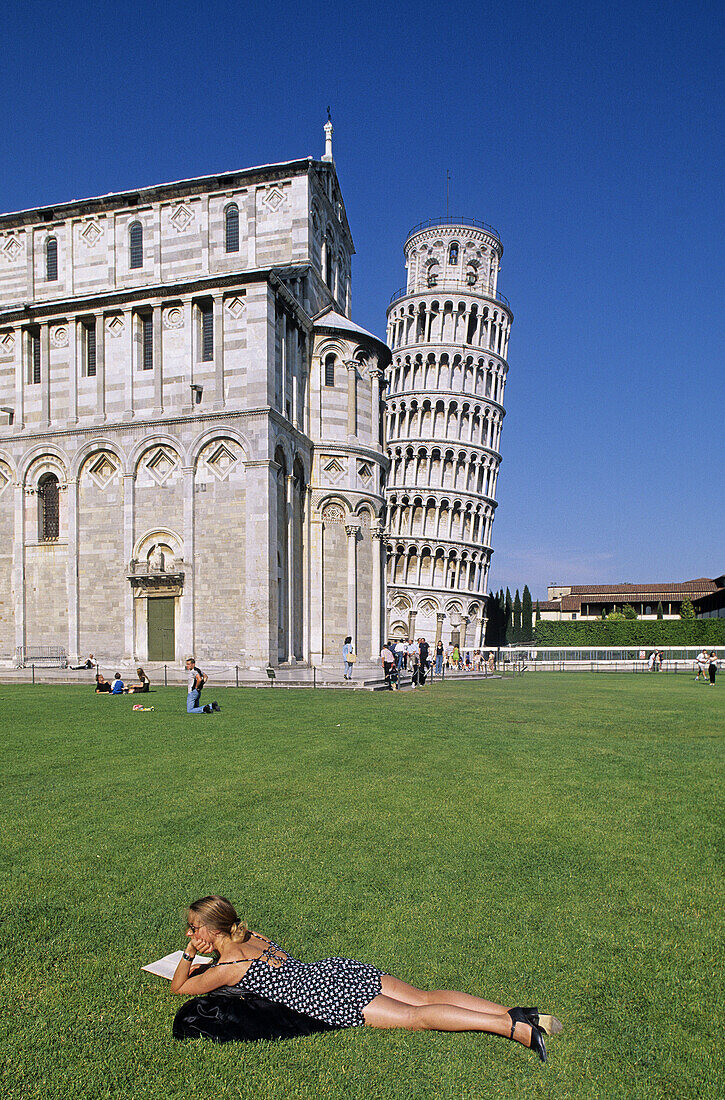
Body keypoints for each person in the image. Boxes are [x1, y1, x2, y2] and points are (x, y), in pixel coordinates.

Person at [170, 896, 559, 1061]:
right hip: (333, 970)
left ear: (211, 931)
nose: (190, 935)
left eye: (193, 930)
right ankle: (520, 1013)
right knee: (423, 997)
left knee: (413, 1018)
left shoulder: (227, 968)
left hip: (325, 997)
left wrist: (189, 956)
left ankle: (514, 1029)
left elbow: (180, 986)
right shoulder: (254, 938)